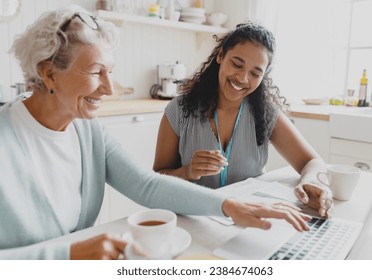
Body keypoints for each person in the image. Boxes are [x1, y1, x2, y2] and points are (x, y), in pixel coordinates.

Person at [0, 6, 311, 260]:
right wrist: (67, 255)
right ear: (48, 72)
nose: (109, 88)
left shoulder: (88, 130)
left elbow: (145, 184)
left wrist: (228, 206)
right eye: (97, 72)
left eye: (111, 71)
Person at [153, 22, 333, 218]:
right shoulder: (179, 110)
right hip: (193, 220)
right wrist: (187, 172)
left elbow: (313, 161)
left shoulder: (265, 113)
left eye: (255, 73)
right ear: (220, 56)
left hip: (248, 222)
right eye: (237, 64)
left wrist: (311, 181)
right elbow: (156, 179)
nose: (243, 78)